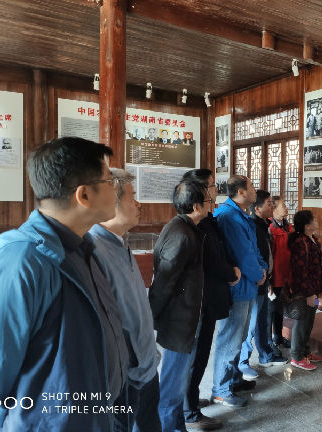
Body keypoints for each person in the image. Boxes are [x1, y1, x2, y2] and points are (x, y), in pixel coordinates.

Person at [0, 137, 129, 431]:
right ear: (84, 195)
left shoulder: (82, 249)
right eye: (109, 181)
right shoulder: (22, 263)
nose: (116, 190)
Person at [88, 168, 161, 432]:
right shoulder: (94, 249)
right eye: (132, 197)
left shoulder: (120, 241)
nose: (138, 203)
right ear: (111, 201)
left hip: (146, 367)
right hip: (125, 378)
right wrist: (130, 364)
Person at [181, 169, 240, 431]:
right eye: (211, 186)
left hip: (208, 296)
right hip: (201, 300)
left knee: (201, 353)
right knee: (196, 355)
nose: (215, 190)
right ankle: (189, 411)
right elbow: (212, 260)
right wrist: (231, 273)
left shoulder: (206, 221)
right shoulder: (197, 226)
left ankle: (190, 401)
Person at [149, 180, 209, 432]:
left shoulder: (185, 227)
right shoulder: (181, 234)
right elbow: (164, 280)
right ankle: (170, 427)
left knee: (177, 377)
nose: (211, 204)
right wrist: (151, 318)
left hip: (184, 315)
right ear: (196, 206)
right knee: (173, 382)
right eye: (208, 201)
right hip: (178, 319)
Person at [211, 175, 267, 407]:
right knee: (230, 339)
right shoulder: (229, 216)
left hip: (248, 286)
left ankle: (233, 379)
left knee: (240, 336)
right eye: (252, 187)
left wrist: (262, 269)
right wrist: (259, 274)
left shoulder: (241, 215)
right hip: (238, 288)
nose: (255, 191)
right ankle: (222, 389)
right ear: (242, 192)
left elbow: (254, 250)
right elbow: (243, 255)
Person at [239, 190, 288, 378]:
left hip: (264, 279)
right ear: (258, 208)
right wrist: (262, 276)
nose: (272, 206)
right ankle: (243, 362)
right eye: (269, 203)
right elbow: (251, 256)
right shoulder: (253, 226)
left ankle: (265, 356)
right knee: (250, 325)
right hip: (255, 281)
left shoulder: (263, 225)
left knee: (262, 321)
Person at [288, 210, 322, 371]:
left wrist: (321, 290)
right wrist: (309, 293)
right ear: (307, 225)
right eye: (314, 220)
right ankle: (296, 357)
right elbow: (300, 271)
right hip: (304, 292)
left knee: (310, 320)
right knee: (302, 321)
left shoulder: (313, 239)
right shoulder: (300, 242)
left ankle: (305, 351)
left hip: (314, 290)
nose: (317, 222)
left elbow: (317, 268)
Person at [268, 196, 293, 349]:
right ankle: (268, 343)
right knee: (270, 310)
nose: (286, 207)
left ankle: (278, 337)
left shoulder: (287, 226)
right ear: (273, 209)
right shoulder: (270, 228)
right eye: (283, 205)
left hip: (285, 275)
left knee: (279, 310)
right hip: (274, 276)